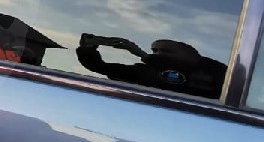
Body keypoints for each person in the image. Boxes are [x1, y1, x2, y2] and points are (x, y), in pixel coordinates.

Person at [76, 34, 227, 99]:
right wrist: (87, 49)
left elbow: (186, 69)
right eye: (155, 50)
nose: (158, 54)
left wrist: (143, 55)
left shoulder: (213, 70)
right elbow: (100, 67)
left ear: (189, 54)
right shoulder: (143, 72)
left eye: (166, 51)